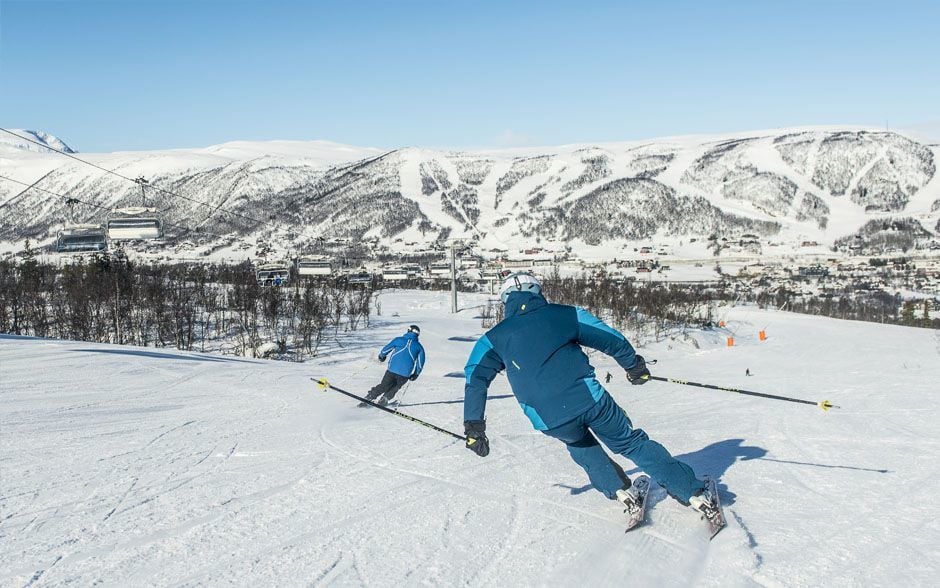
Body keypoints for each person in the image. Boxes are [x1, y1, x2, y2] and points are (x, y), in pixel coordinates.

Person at [462, 272, 710, 514]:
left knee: (580, 445)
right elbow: (609, 338)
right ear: (538, 292)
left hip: (547, 418)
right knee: (630, 443)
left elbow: (475, 377)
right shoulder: (565, 315)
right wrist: (633, 366)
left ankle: (621, 491)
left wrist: (474, 426)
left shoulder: (491, 339)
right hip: (589, 401)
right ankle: (692, 492)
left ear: (505, 300)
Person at [360, 325, 425, 407]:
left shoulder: (399, 340)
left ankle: (369, 398)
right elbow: (420, 363)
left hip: (392, 370)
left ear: (408, 331)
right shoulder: (419, 347)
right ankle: (385, 399)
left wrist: (381, 356)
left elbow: (385, 349)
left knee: (383, 386)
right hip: (405, 374)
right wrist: (416, 374)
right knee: (395, 388)